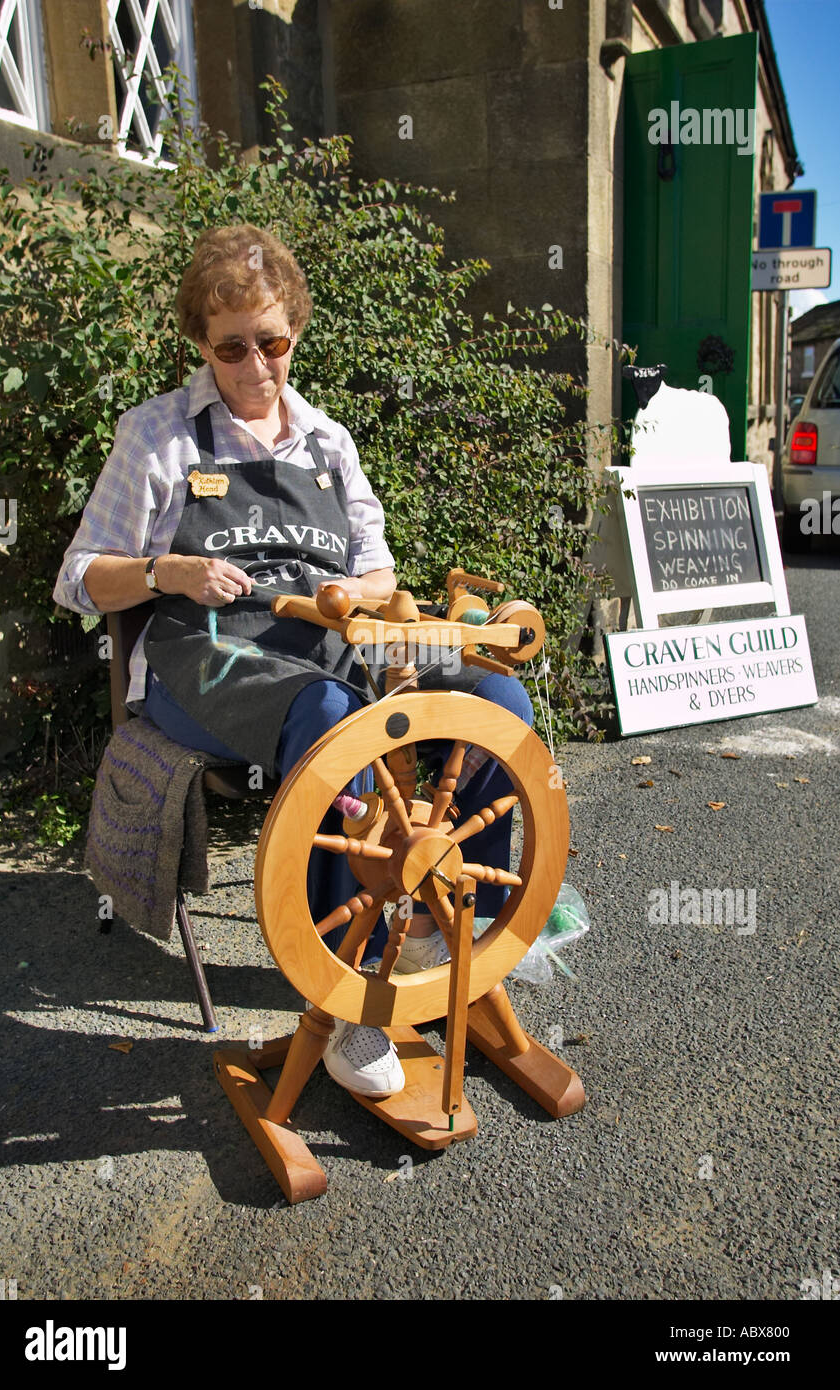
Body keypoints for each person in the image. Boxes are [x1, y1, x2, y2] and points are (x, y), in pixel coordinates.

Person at [55, 224, 532, 1099]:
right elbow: (78, 579)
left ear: (295, 333)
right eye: (231, 346)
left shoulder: (327, 443)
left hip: (327, 646)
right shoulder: (157, 437)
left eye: (271, 342)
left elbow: (380, 567)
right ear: (200, 341)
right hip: (202, 659)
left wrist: (368, 607)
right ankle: (345, 998)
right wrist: (170, 570)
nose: (254, 364)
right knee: (325, 716)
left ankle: (455, 926)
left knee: (497, 696)